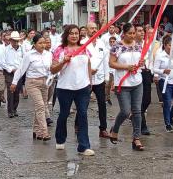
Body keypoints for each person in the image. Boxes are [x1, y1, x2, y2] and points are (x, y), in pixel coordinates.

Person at [51, 24, 94, 156]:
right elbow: (53, 69)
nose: (74, 36)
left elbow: (88, 64)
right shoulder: (60, 50)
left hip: (83, 87)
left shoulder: (84, 48)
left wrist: (90, 82)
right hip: (65, 88)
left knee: (82, 114)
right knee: (64, 114)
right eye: (71, 33)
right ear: (66, 35)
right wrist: (63, 61)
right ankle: (60, 138)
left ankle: (83, 146)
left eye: (76, 33)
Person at [109, 23, 145, 151]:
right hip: (122, 83)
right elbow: (111, 63)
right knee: (125, 111)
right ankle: (115, 129)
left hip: (137, 82)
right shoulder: (117, 46)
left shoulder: (138, 46)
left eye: (133, 33)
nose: (132, 35)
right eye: (129, 33)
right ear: (123, 33)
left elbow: (141, 61)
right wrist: (126, 67)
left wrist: (141, 63)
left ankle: (136, 138)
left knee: (137, 111)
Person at [11, 34, 52, 141]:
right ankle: (44, 132)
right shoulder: (29, 55)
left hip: (45, 82)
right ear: (34, 44)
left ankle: (36, 130)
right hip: (32, 83)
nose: (43, 45)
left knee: (41, 107)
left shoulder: (48, 54)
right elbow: (21, 70)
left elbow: (51, 69)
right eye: (40, 43)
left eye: (44, 43)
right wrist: (14, 82)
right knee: (40, 106)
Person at [82, 22, 110, 138]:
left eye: (95, 28)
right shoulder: (82, 43)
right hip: (86, 79)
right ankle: (78, 125)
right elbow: (80, 61)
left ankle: (103, 128)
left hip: (99, 80)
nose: (94, 30)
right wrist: (88, 70)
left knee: (102, 104)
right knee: (83, 104)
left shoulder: (101, 43)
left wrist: (107, 77)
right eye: (91, 28)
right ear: (86, 30)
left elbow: (105, 60)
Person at [154, 35, 173, 132]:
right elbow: (155, 69)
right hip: (166, 82)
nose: (171, 47)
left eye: (172, 45)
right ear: (165, 45)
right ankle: (167, 124)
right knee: (167, 103)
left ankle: (170, 116)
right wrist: (163, 71)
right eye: (169, 45)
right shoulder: (160, 55)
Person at [1, 31, 24, 118]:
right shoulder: (6, 49)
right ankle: (10, 110)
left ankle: (14, 108)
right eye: (14, 40)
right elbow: (2, 63)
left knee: (17, 91)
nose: (15, 42)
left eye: (17, 41)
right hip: (9, 73)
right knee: (11, 90)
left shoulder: (22, 49)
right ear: (10, 40)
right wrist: (11, 69)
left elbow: (24, 60)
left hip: (19, 72)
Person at [135, 24, 152, 135]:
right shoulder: (132, 45)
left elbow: (151, 58)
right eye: (139, 31)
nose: (142, 33)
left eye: (142, 31)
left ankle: (135, 113)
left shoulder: (147, 44)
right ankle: (142, 125)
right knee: (139, 101)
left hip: (146, 72)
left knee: (147, 99)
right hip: (137, 72)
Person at [105, 36, 117, 105]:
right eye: (111, 42)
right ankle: (107, 98)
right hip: (109, 70)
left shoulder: (118, 49)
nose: (112, 43)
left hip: (116, 70)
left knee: (115, 85)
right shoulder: (107, 50)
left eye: (113, 41)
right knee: (108, 85)